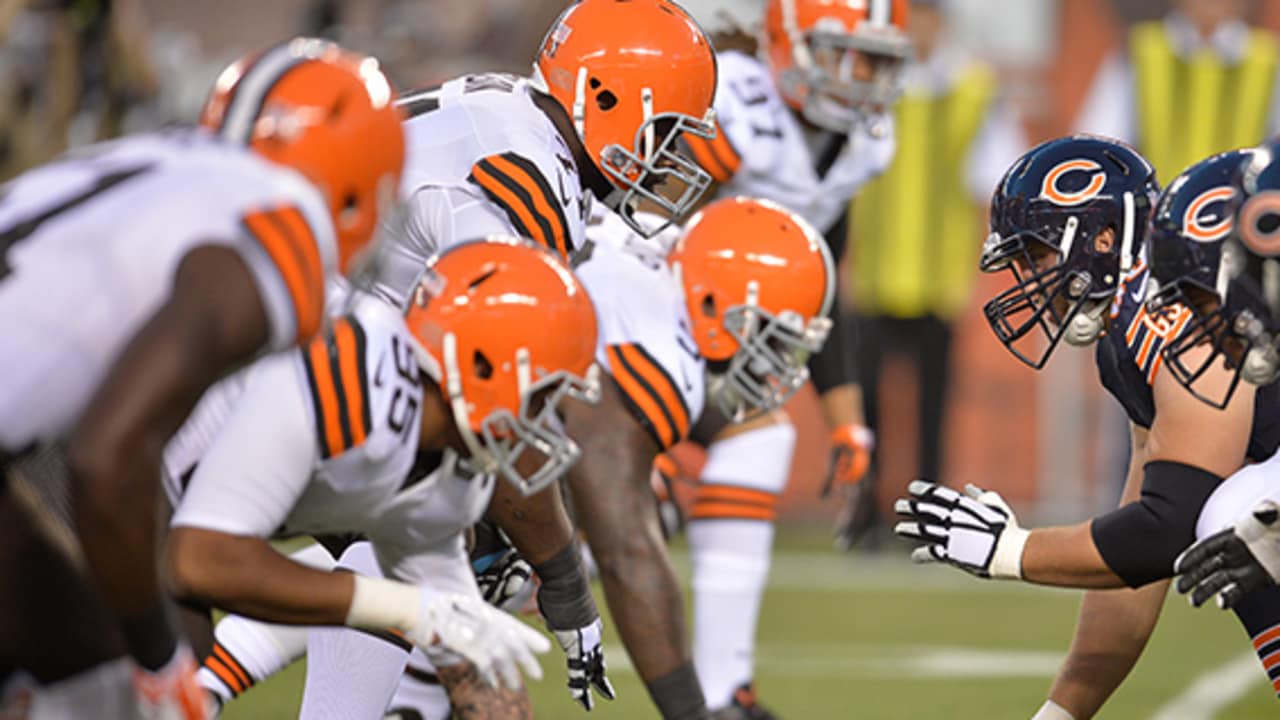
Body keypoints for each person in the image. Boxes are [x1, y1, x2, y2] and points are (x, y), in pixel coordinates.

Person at [199, 2, 725, 718]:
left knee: (443, 508)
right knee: (446, 497)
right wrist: (564, 575)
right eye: (663, 132)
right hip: (250, 351)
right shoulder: (519, 181)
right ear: (603, 97)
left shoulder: (522, 123)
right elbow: (497, 394)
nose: (668, 161)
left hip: (303, 346)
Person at [0, 38, 404, 718]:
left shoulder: (155, 159)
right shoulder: (276, 227)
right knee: (126, 679)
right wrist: (157, 660)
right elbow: (108, 460)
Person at [895, 142, 1280, 717]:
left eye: (1036, 255)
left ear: (1101, 238)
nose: (1029, 278)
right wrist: (1060, 713)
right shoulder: (1127, 334)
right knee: (1249, 521)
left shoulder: (1164, 307)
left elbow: (1167, 527)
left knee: (1237, 515)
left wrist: (1012, 551)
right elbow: (1141, 554)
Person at [165, 237, 600, 716]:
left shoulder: (450, 473)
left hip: (160, 516)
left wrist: (448, 630)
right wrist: (402, 608)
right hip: (99, 479)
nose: (542, 422)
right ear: (481, 364)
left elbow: (471, 663)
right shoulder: (351, 368)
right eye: (541, 395)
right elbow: (201, 562)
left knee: (178, 693)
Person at [677, 0, 908, 712]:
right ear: (788, 42)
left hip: (710, 349)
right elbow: (645, 229)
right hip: (638, 319)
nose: (862, 75)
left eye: (874, 57)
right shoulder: (733, 101)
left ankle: (723, 693)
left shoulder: (861, 143)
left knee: (760, 440)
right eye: (845, 52)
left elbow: (820, 282)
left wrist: (848, 422)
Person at [843, 0, 1026, 543]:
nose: (917, 29)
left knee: (933, 408)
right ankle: (865, 516)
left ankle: (926, 518)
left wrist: (980, 268)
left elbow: (997, 178)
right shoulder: (870, 84)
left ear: (940, 23)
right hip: (872, 274)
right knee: (866, 404)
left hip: (939, 278)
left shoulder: (975, 88)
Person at [1076, 0, 1280, 181]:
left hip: (1238, 215)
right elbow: (1098, 143)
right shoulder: (1139, 50)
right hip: (1154, 214)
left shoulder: (1269, 59)